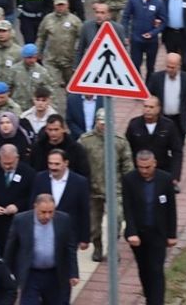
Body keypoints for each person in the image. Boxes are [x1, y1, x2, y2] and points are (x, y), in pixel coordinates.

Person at [122, 151, 178, 305]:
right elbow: (128, 208)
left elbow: (171, 208)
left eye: (147, 167)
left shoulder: (165, 179)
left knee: (156, 269)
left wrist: (172, 233)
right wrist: (132, 232)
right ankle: (149, 295)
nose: (144, 171)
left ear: (154, 163)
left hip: (158, 233)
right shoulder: (129, 180)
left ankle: (156, 301)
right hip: (139, 234)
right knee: (144, 268)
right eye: (141, 167)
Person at [4, 195, 80, 305]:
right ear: (35, 207)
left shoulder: (64, 220)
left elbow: (70, 248)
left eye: (51, 212)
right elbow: (11, 248)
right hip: (31, 274)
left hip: (55, 274)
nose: (47, 216)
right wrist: (7, 272)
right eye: (43, 212)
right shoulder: (21, 220)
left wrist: (74, 273)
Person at [78, 110, 132, 260]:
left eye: (106, 123)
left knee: (117, 220)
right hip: (93, 189)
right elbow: (78, 162)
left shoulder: (119, 141)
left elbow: (127, 165)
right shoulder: (85, 140)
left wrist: (128, 185)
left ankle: (113, 249)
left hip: (115, 189)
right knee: (94, 225)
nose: (103, 127)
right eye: (101, 123)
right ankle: (97, 247)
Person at [0, 143, 36, 250]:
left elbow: (32, 196)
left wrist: (17, 206)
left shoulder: (28, 172)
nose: (7, 166)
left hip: (19, 221)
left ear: (17, 158)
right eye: (4, 163)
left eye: (10, 163)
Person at [125, 97, 184, 187]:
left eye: (151, 107)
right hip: (139, 171)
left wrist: (175, 176)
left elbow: (176, 151)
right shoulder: (134, 124)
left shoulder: (168, 125)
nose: (147, 110)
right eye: (145, 106)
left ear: (158, 108)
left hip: (162, 169)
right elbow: (127, 149)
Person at [147, 53, 186, 144]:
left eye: (173, 67)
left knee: (178, 147)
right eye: (168, 66)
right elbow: (150, 97)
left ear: (179, 66)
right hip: (162, 118)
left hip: (179, 120)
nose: (169, 70)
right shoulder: (156, 78)